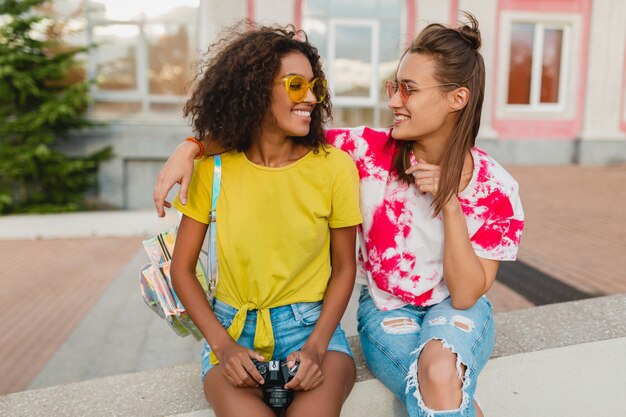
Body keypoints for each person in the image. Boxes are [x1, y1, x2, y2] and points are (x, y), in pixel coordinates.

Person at [158, 13, 524, 417]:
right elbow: (267, 133)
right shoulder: (365, 153)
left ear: (457, 98)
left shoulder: (497, 189)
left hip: (457, 311)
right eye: (393, 87)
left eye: (409, 90)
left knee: (440, 372)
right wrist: (191, 146)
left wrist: (450, 204)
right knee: (442, 386)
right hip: (388, 310)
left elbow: (467, 294)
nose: (393, 101)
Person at [168, 22, 362, 417]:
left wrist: (316, 346)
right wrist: (222, 347)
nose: (310, 96)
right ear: (256, 90)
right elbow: (182, 270)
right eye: (295, 85)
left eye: (315, 87)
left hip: (313, 330)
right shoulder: (212, 169)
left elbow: (344, 268)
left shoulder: (335, 168)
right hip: (232, 332)